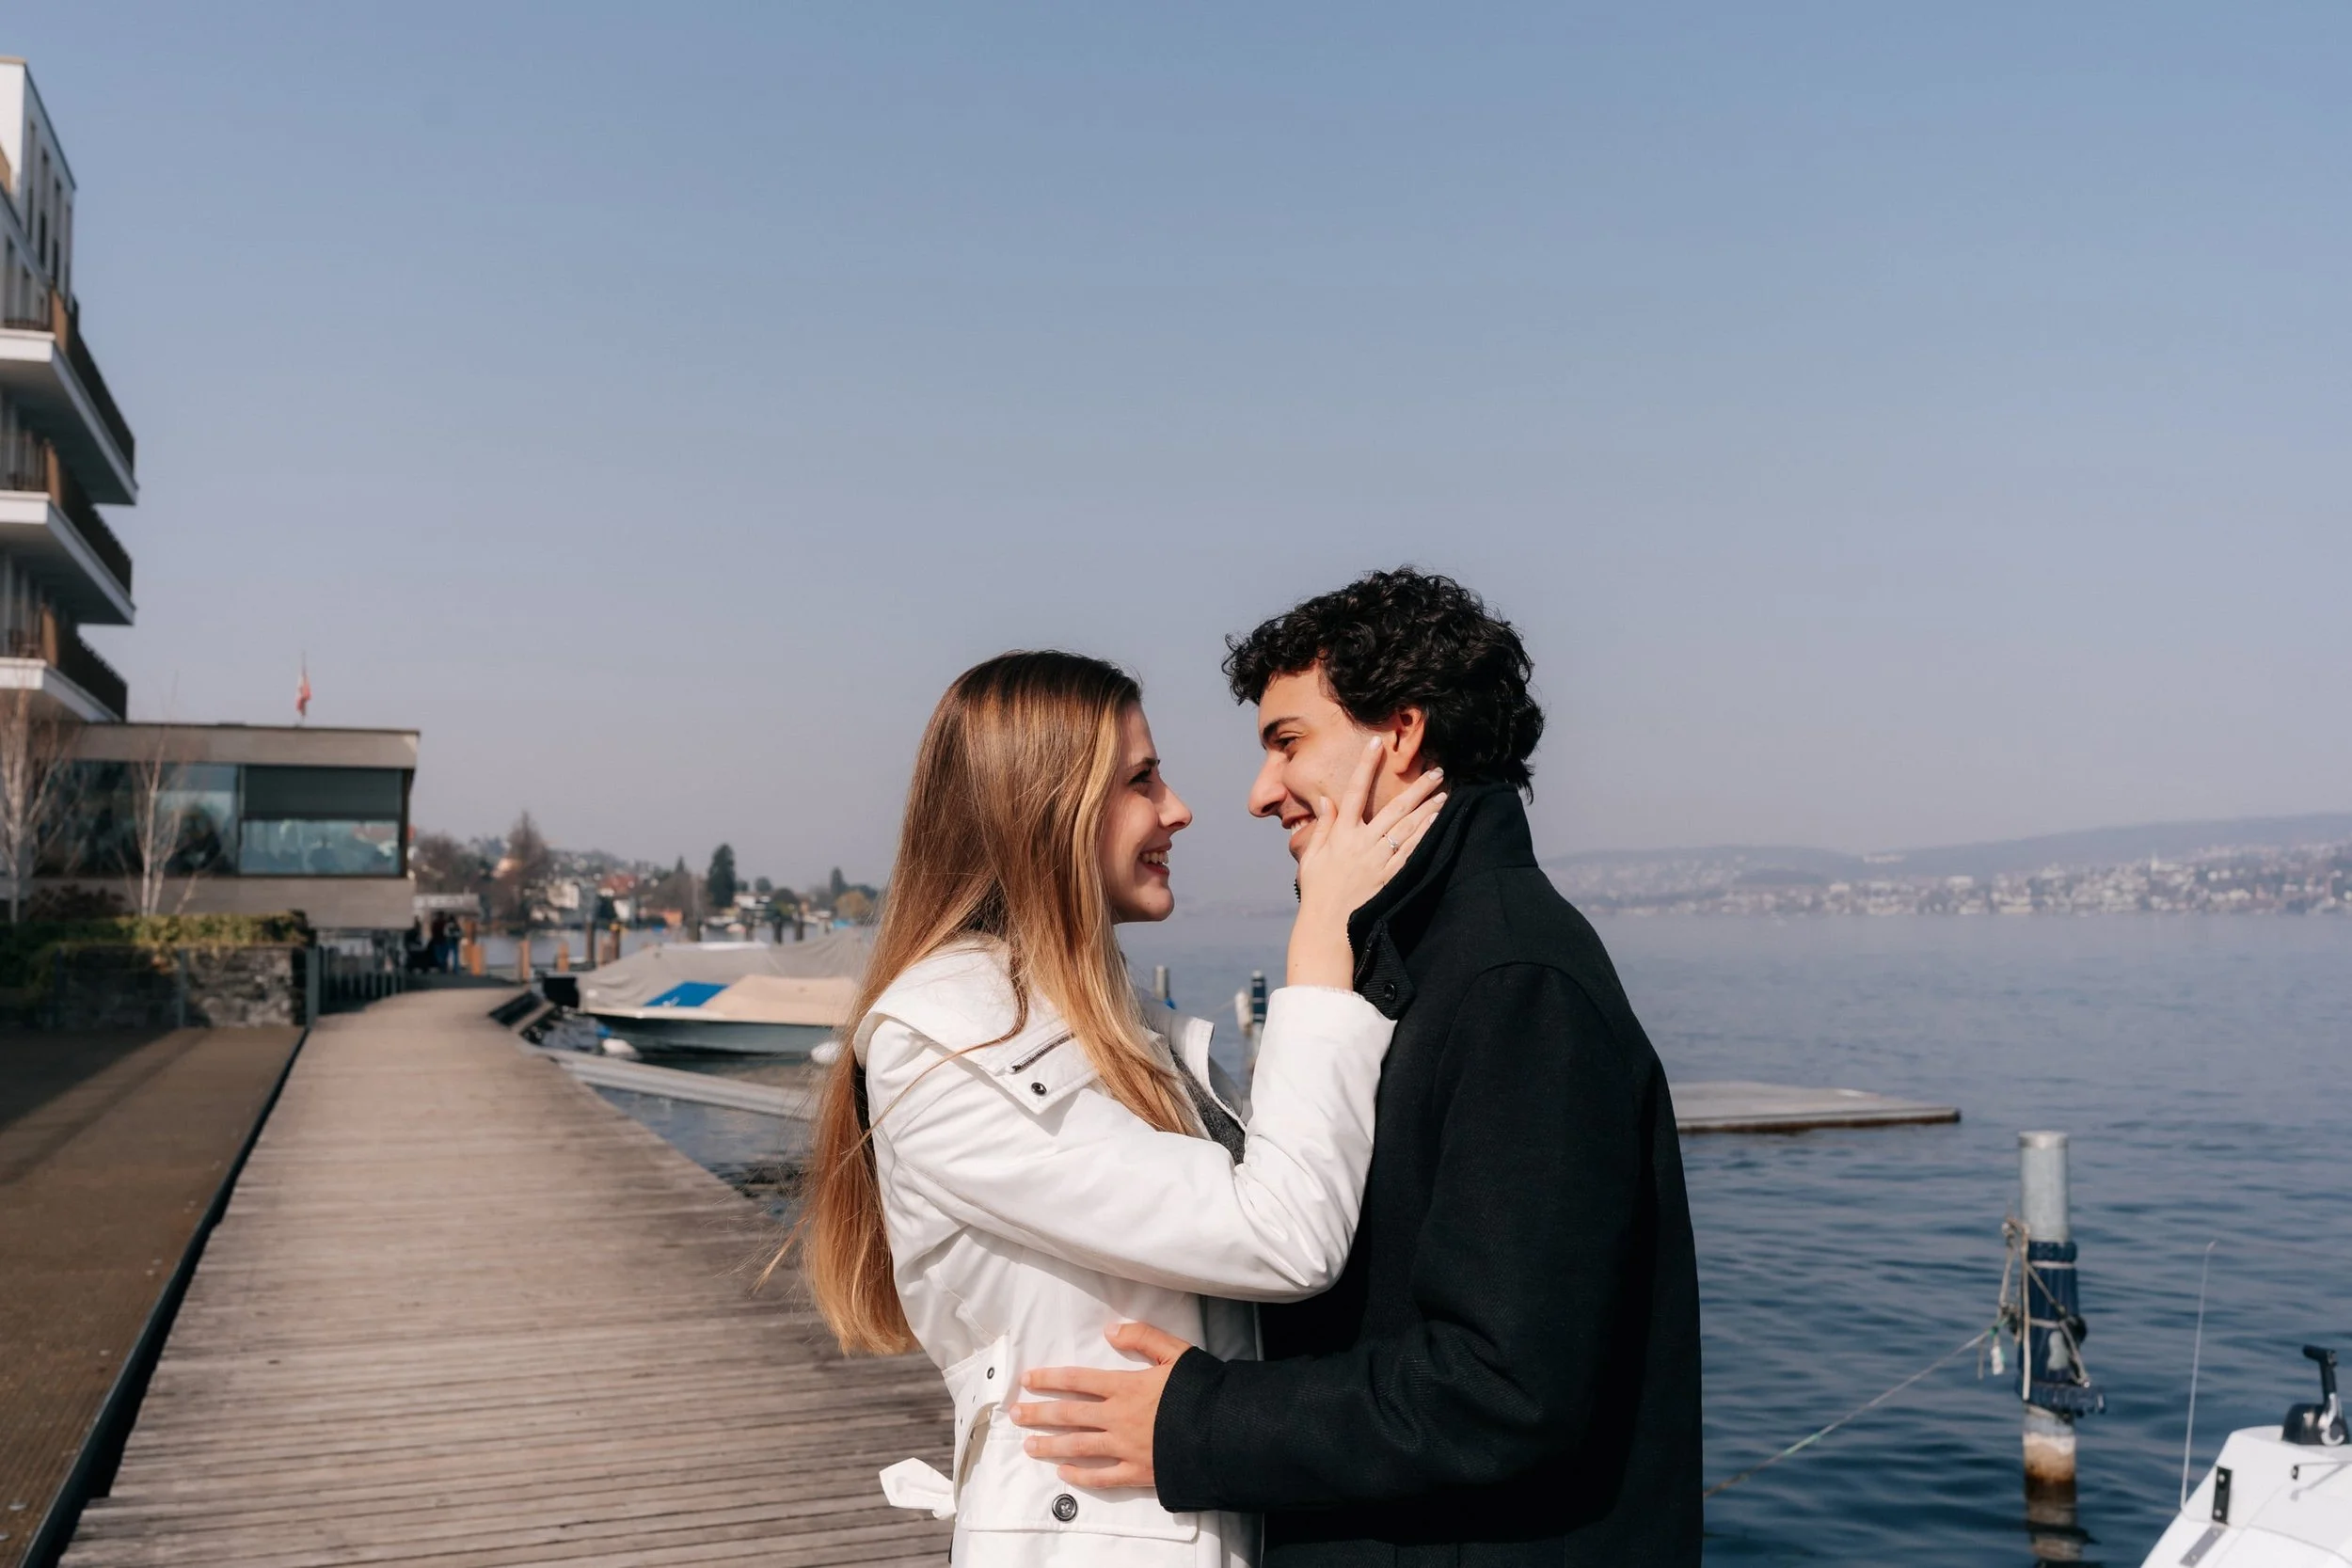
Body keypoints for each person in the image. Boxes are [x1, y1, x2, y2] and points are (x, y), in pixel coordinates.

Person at [1009, 570, 1705, 1566]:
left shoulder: (1514, 985)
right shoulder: (1421, 960)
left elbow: (1505, 1388)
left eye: (1286, 741)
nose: (1255, 794)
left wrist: (1195, 1422)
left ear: (1402, 733)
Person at [798, 649, 1447, 1567]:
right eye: (1142, 779)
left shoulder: (1114, 1017)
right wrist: (1320, 952)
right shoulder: (948, 1040)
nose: (1178, 809)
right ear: (1045, 806)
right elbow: (1283, 1231)